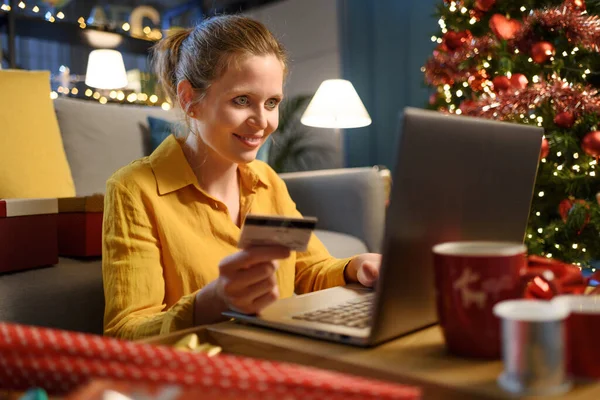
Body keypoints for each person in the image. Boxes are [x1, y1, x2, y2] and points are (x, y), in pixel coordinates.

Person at [102, 15, 382, 340]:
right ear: (189, 100)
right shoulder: (133, 190)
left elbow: (307, 271)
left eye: (272, 102)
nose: (262, 122)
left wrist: (355, 267)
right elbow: (125, 333)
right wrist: (211, 302)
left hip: (285, 354)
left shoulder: (266, 180)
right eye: (242, 100)